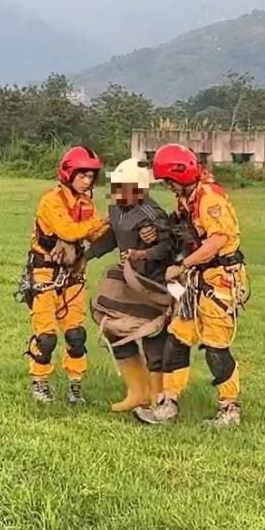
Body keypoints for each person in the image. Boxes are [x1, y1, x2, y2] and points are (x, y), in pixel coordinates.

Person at [133, 144, 250, 427]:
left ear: (182, 175)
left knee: (215, 346)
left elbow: (217, 241)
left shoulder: (210, 198)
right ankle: (168, 404)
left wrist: (182, 266)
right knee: (178, 338)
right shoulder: (188, 199)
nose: (169, 187)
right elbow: (183, 234)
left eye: (170, 181)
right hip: (196, 279)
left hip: (219, 279)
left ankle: (229, 408)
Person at [19, 146, 109, 405]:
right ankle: (40, 382)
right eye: (82, 175)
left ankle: (75, 385)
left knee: (76, 335)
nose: (87, 181)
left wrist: (119, 222)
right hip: (45, 274)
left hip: (73, 276)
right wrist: (102, 221)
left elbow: (91, 235)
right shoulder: (51, 200)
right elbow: (67, 231)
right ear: (68, 174)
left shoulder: (86, 204)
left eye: (91, 176)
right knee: (46, 337)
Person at [85, 158, 176, 412]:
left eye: (123, 186)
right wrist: (86, 257)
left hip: (152, 284)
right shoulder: (116, 210)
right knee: (114, 327)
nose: (117, 191)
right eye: (116, 185)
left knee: (152, 338)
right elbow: (112, 238)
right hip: (129, 280)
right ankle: (136, 391)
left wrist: (143, 252)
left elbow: (168, 247)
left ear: (139, 189)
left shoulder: (152, 214)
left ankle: (159, 397)